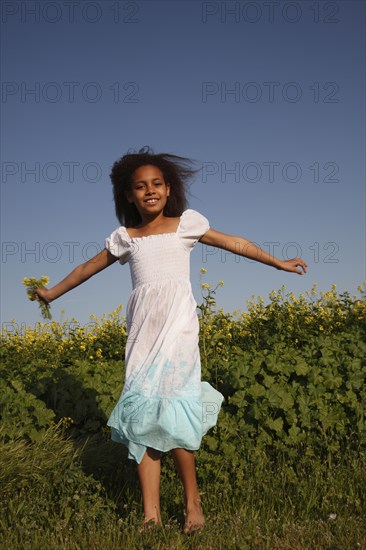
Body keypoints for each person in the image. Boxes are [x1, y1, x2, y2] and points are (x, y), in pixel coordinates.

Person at [34, 147, 307, 534]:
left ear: (168, 189)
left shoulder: (185, 225)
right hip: (143, 335)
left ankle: (192, 503)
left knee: (176, 414)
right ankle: (151, 515)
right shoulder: (126, 237)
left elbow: (234, 242)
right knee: (143, 416)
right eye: (140, 186)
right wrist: (52, 292)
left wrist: (277, 262)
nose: (149, 191)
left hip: (177, 333)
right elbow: (86, 269)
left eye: (157, 184)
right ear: (129, 195)